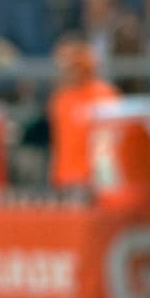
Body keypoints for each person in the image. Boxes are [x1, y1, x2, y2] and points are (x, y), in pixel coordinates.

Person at [48, 34, 120, 190]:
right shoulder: (60, 99)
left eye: (69, 66)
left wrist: (106, 182)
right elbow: (59, 143)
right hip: (65, 179)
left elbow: (108, 144)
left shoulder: (103, 95)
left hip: (94, 182)